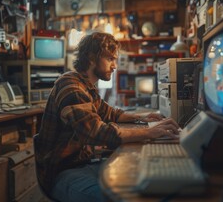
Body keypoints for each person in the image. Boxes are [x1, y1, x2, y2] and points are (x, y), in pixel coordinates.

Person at [34, 32, 180, 202]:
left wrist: (144, 116)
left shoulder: (86, 86)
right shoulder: (71, 87)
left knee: (145, 179)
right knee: (122, 198)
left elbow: (110, 113)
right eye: (110, 59)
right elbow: (95, 132)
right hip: (63, 172)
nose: (115, 66)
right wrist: (150, 133)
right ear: (91, 57)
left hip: (84, 164)